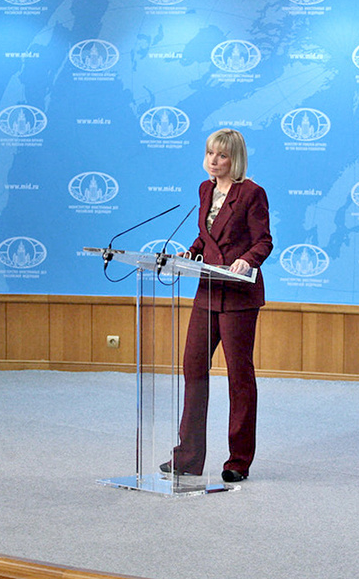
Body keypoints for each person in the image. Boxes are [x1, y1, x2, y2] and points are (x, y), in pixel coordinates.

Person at [161, 128, 273, 483]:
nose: (214, 160)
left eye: (222, 155)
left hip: (238, 297)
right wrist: (190, 252)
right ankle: (188, 457)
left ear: (234, 159)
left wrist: (247, 260)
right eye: (210, 153)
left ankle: (238, 460)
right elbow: (206, 236)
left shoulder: (252, 193)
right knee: (193, 369)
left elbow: (264, 241)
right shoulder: (205, 189)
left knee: (239, 378)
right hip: (207, 292)